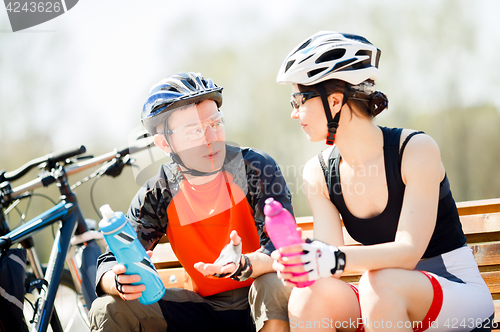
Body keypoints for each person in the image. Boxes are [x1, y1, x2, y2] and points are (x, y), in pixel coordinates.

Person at [271, 31, 494, 331]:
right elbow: (328, 268)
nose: (294, 113)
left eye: (298, 100)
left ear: (335, 101)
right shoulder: (318, 173)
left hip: (455, 292)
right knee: (307, 297)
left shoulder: (415, 150)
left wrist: (331, 258)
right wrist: (302, 261)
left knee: (379, 283)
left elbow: (407, 251)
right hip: (382, 299)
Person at [89, 72, 292, 332]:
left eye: (216, 123)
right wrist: (116, 280)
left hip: (260, 295)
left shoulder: (254, 168)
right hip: (201, 310)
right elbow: (109, 260)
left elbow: (281, 250)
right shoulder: (159, 193)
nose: (211, 138)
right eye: (194, 130)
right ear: (165, 142)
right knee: (107, 308)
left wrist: (242, 265)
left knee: (272, 284)